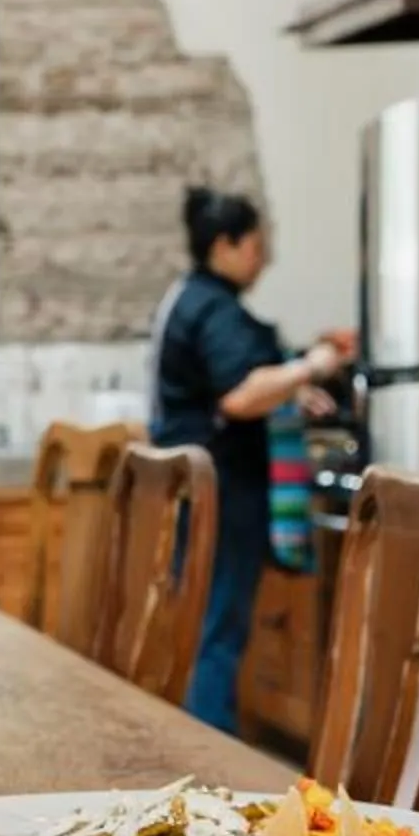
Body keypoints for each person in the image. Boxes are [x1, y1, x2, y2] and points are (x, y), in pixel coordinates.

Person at [146, 186, 350, 734]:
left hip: (197, 489)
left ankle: (195, 754)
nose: (265, 259)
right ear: (226, 245)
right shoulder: (213, 306)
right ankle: (209, 767)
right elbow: (240, 393)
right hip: (222, 491)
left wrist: (289, 387)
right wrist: (311, 365)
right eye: (258, 245)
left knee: (202, 627)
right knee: (218, 630)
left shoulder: (187, 297)